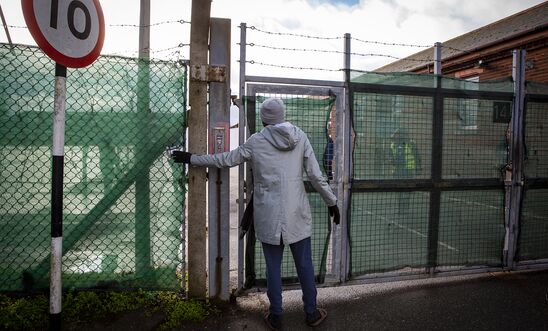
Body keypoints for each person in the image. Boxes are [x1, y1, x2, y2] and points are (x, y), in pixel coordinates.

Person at [171, 97, 340, 330]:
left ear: (263, 118)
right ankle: (311, 313)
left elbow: (225, 159)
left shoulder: (256, 141)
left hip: (268, 216)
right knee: (305, 266)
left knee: (272, 267)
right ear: (283, 115)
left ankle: (277, 316)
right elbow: (316, 175)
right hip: (296, 214)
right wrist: (332, 202)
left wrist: (192, 158)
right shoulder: (299, 136)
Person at [389, 129, 421, 215]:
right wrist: (391, 160)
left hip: (408, 170)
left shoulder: (411, 144)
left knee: (407, 190)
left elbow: (417, 156)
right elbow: (391, 156)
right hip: (398, 171)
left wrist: (418, 169)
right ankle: (401, 209)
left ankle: (405, 208)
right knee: (399, 191)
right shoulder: (393, 145)